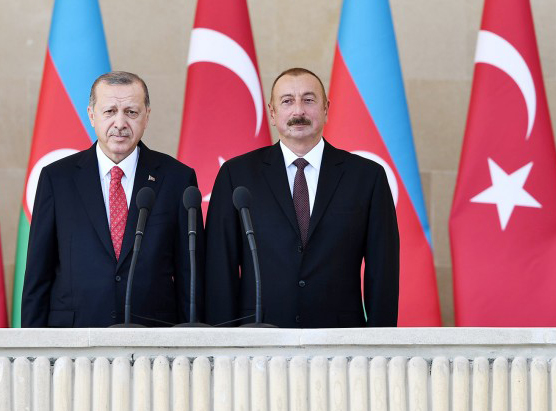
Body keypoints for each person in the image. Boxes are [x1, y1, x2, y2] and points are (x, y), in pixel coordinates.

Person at [205, 68, 399, 328]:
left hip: (340, 337)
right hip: (257, 337)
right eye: (287, 101)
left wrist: (379, 343)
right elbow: (220, 268)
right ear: (272, 112)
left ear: (326, 109)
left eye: (308, 100)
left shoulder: (367, 177)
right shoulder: (236, 175)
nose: (298, 111)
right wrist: (222, 342)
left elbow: (383, 270)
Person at [22, 71, 204, 327]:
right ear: (91, 115)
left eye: (131, 112)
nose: (120, 123)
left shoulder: (177, 179)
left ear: (146, 116)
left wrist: (191, 343)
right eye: (109, 111)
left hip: (154, 337)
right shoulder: (57, 179)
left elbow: (190, 275)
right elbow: (37, 275)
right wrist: (34, 346)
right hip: (74, 336)